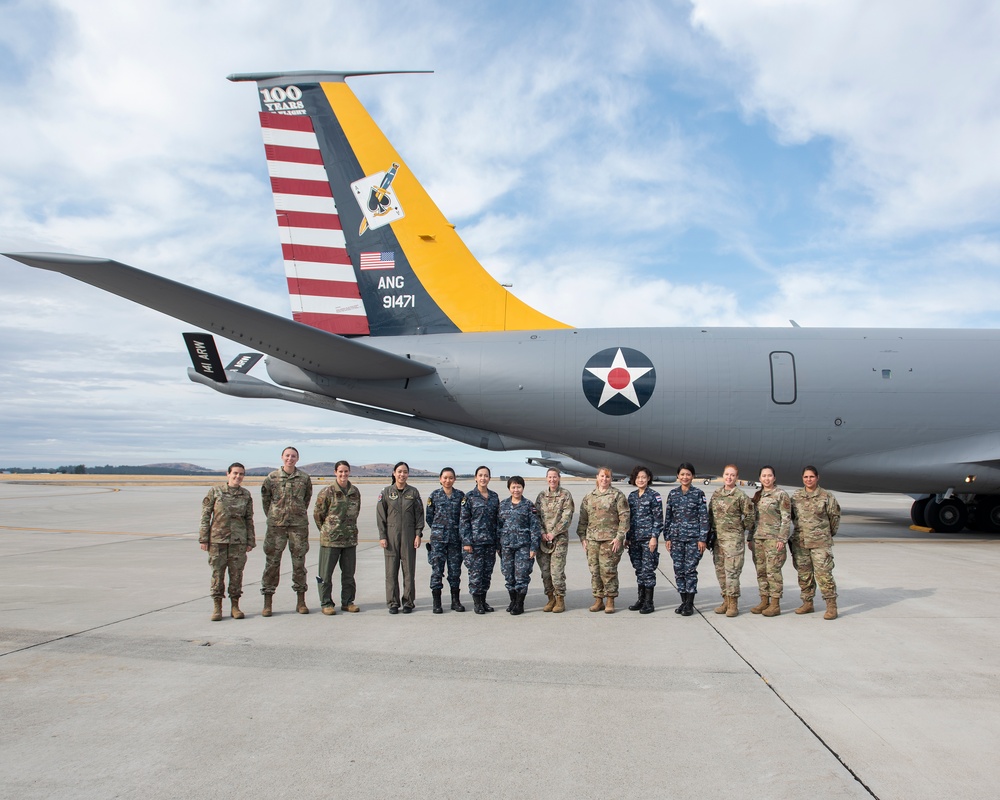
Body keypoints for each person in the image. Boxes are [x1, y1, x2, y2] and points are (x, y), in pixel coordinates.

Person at [199, 462, 255, 621]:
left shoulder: (245, 495)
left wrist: (250, 540)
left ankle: (235, 606)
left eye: (241, 474)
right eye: (235, 473)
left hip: (238, 541)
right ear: (228, 474)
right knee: (218, 574)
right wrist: (204, 538)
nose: (238, 476)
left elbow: (249, 519)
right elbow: (205, 516)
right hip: (217, 540)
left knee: (236, 574)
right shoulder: (215, 492)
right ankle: (217, 607)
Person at [260, 446, 312, 616]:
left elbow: (306, 499)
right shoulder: (271, 478)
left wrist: (295, 513)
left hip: (298, 526)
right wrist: (276, 516)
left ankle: (301, 601)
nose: (290, 458)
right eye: (287, 456)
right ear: (282, 457)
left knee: (299, 564)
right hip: (276, 527)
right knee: (272, 564)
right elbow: (266, 501)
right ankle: (268, 602)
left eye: (293, 456)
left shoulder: (304, 478)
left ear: (297, 458)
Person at [790, 465, 842, 620]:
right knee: (804, 574)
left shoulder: (827, 496)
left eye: (811, 477)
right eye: (805, 477)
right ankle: (807, 603)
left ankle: (831, 606)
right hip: (801, 542)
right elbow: (793, 517)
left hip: (820, 543)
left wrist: (826, 534)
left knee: (824, 575)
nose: (808, 479)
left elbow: (834, 517)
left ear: (817, 478)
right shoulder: (796, 496)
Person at [576, 467, 629, 614]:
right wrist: (582, 538)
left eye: (607, 477)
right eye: (602, 476)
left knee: (608, 570)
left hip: (610, 540)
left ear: (611, 479)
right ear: (597, 477)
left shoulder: (617, 495)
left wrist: (619, 537)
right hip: (592, 540)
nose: (604, 479)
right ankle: (598, 599)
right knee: (595, 571)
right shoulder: (589, 497)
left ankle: (610, 599)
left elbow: (624, 518)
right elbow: (583, 520)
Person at [313, 460, 362, 616]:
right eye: (340, 471)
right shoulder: (327, 492)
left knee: (349, 574)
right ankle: (326, 602)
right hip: (330, 540)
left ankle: (348, 602)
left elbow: (356, 512)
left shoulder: (355, 491)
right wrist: (327, 530)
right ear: (335, 472)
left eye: (346, 471)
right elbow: (318, 514)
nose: (343, 474)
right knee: (325, 574)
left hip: (349, 539)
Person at [708, 464, 756, 617]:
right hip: (718, 541)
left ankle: (733, 604)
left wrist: (740, 528)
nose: (729, 477)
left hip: (733, 542)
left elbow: (750, 516)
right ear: (723, 475)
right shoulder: (716, 494)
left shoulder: (740, 496)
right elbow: (710, 515)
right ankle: (725, 600)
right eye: (727, 474)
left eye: (732, 475)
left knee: (732, 573)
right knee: (720, 572)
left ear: (736, 477)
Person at [376, 462, 424, 614]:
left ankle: (408, 602)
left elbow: (419, 515)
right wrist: (382, 536)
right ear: (394, 473)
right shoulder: (386, 492)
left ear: (408, 474)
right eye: (399, 471)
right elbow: (380, 516)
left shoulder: (413, 492)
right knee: (391, 572)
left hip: (409, 535)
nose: (402, 474)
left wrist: (418, 534)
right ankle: (393, 602)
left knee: (409, 570)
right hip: (391, 536)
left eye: (405, 472)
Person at [663, 462, 709, 616]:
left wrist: (703, 539)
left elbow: (704, 518)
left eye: (688, 474)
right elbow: (668, 517)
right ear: (678, 476)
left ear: (693, 476)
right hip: (676, 539)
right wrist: (667, 537)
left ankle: (690, 603)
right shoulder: (673, 494)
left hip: (693, 539)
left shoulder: (698, 494)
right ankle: (683, 601)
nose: (685, 477)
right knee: (678, 570)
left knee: (690, 570)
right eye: (682, 474)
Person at [749, 465, 792, 617]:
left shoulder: (781, 495)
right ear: (760, 478)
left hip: (774, 540)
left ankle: (775, 604)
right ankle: (764, 600)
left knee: (773, 572)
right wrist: (749, 538)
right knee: (761, 572)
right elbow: (753, 519)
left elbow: (786, 519)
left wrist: (782, 538)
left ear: (774, 478)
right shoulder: (758, 495)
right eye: (764, 476)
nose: (767, 478)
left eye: (769, 475)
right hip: (758, 539)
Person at [498, 476, 541, 616]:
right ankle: (513, 601)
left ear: (523, 488)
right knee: (508, 575)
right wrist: (498, 545)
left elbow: (535, 527)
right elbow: (498, 526)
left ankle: (520, 604)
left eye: (519, 487)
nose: (516, 490)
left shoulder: (529, 505)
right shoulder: (503, 505)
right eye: (513, 487)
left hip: (523, 546)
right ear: (509, 488)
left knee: (521, 575)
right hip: (506, 546)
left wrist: (534, 547)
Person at [460, 466, 501, 614]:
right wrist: (467, 542)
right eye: (480, 475)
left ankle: (483, 601)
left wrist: (498, 543)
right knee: (475, 574)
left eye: (486, 476)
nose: (483, 478)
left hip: (490, 542)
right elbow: (464, 521)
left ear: (489, 478)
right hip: (474, 543)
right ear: (475, 478)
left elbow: (498, 521)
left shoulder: (494, 497)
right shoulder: (469, 497)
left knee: (486, 574)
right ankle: (477, 603)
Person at [425, 467, 466, 613]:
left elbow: (464, 517)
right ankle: (437, 603)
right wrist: (440, 529)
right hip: (438, 541)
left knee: (455, 572)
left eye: (450, 478)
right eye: (445, 478)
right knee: (437, 571)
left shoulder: (460, 496)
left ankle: (455, 601)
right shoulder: (434, 496)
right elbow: (429, 517)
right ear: (440, 479)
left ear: (454, 479)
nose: (447, 480)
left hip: (455, 540)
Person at [534, 468, 575, 613]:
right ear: (546, 478)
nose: (552, 480)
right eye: (549, 477)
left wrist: (553, 533)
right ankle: (550, 598)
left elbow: (567, 517)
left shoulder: (565, 495)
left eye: (555, 477)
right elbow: (536, 516)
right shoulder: (541, 496)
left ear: (559, 478)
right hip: (543, 540)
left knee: (556, 571)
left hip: (559, 539)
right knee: (545, 572)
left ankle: (560, 600)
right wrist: (542, 533)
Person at [626, 466, 662, 614]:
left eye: (643, 477)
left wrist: (654, 537)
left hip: (648, 540)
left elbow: (658, 519)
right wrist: (627, 538)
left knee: (648, 571)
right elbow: (628, 519)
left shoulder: (654, 496)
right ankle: (640, 600)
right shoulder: (632, 496)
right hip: (634, 539)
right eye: (638, 477)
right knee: (639, 570)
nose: (640, 480)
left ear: (648, 479)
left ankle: (649, 602)